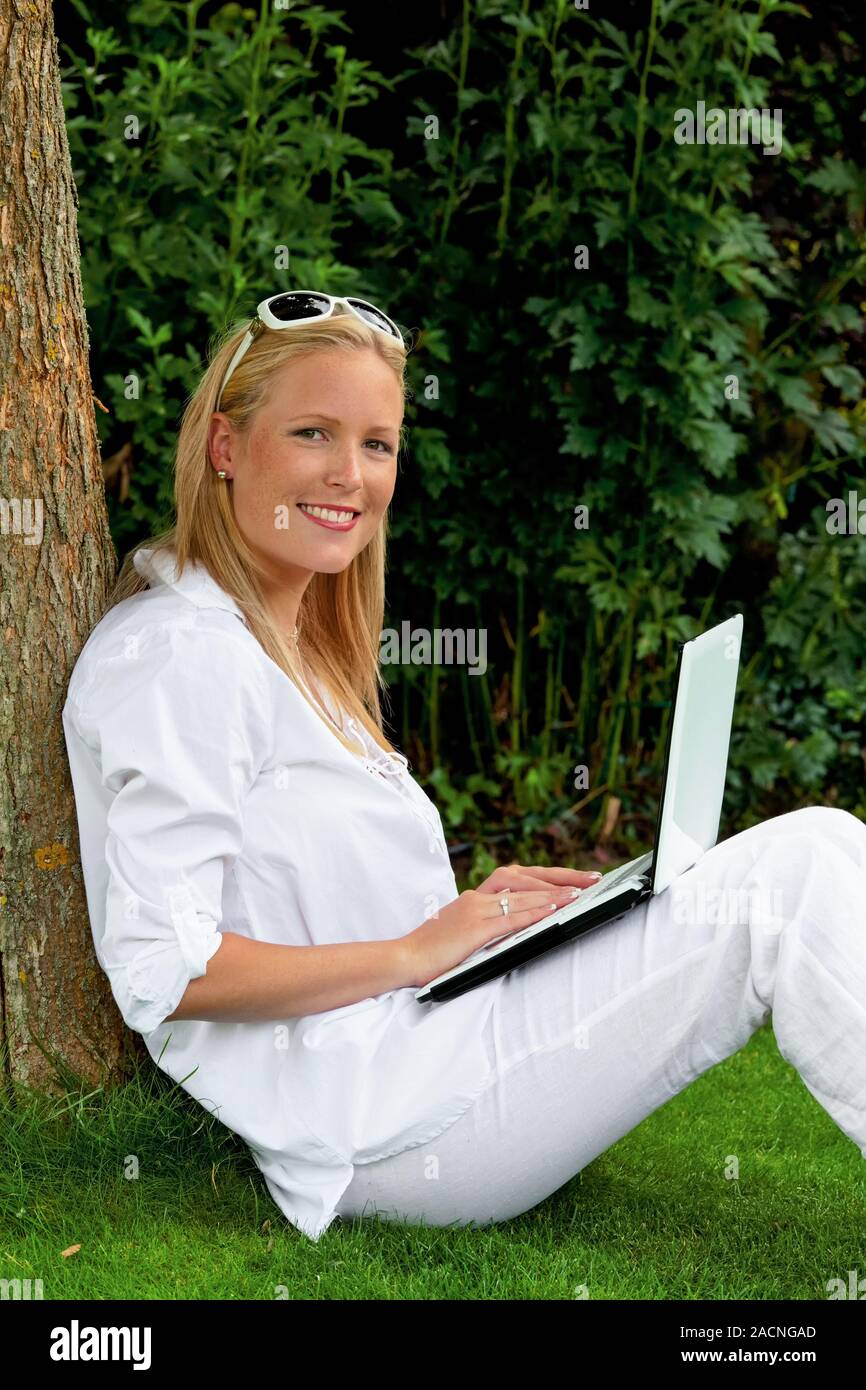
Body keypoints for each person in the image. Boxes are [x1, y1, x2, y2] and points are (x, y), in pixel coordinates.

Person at [62, 291, 866, 1244]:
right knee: (801, 868)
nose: (350, 475)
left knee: (820, 847)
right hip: (385, 1119)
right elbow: (166, 971)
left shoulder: (287, 643)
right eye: (314, 432)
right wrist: (418, 951)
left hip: (430, 1039)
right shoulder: (178, 656)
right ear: (225, 447)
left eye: (377, 444)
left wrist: (482, 926)